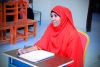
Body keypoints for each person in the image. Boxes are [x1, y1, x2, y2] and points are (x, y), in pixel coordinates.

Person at [17, 5, 83, 67]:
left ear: (63, 17)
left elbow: (72, 61)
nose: (52, 19)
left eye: (55, 16)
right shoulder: (51, 27)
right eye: (51, 16)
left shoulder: (72, 34)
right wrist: (27, 50)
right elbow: (42, 43)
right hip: (50, 62)